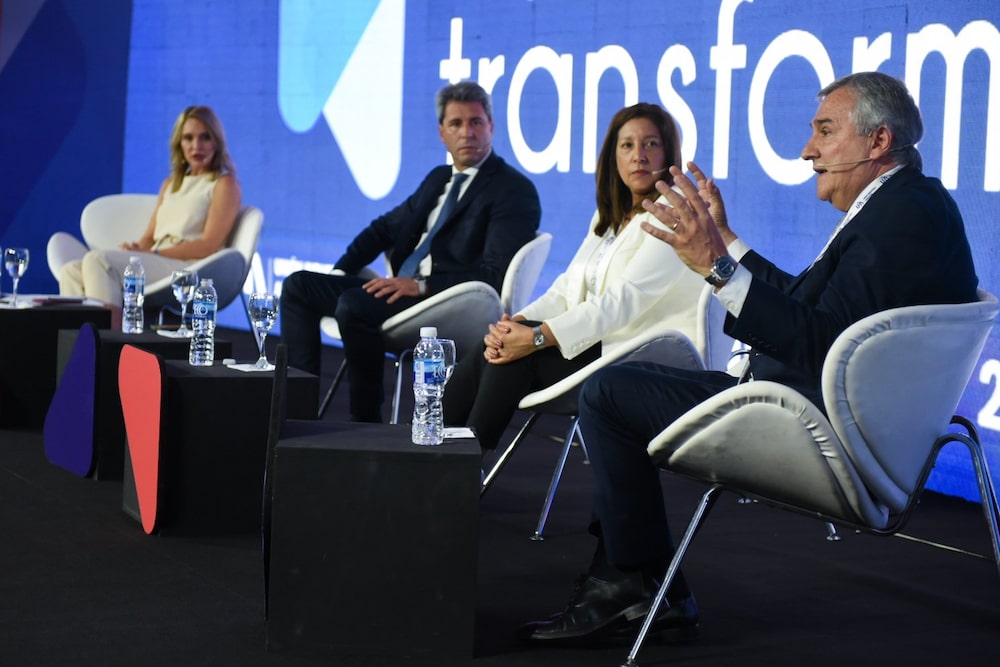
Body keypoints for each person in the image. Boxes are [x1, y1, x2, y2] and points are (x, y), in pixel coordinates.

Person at [519, 72, 979, 645]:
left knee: (609, 393)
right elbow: (811, 309)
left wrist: (717, 268)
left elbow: (817, 342)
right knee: (618, 387)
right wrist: (725, 241)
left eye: (825, 131)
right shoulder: (905, 205)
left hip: (807, 419)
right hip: (799, 401)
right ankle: (639, 584)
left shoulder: (901, 216)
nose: (807, 149)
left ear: (878, 141)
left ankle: (630, 583)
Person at [443, 103, 705, 452]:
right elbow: (567, 288)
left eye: (651, 144)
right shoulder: (612, 215)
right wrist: (516, 325)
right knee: (494, 347)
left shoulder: (675, 215)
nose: (638, 156)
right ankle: (427, 453)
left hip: (639, 355)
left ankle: (461, 464)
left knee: (513, 359)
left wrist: (536, 337)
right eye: (627, 145)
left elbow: (623, 301)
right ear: (613, 156)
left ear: (668, 152)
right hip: (598, 344)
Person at [281, 81, 541, 423]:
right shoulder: (438, 179)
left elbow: (492, 275)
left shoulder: (513, 190)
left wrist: (420, 285)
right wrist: (342, 273)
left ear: (491, 126)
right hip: (402, 290)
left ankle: (364, 422)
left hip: (448, 301)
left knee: (354, 305)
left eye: (476, 122)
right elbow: (383, 229)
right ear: (442, 133)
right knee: (299, 286)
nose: (467, 132)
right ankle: (296, 417)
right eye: (456, 123)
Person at [59, 106, 242, 310]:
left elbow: (209, 245)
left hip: (191, 265)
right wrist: (137, 249)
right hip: (158, 257)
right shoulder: (171, 184)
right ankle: (80, 331)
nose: (196, 146)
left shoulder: (224, 184)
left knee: (99, 260)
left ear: (216, 141)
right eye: (188, 138)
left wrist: (155, 253)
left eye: (205, 137)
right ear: (179, 144)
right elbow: (149, 236)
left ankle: (108, 330)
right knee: (71, 271)